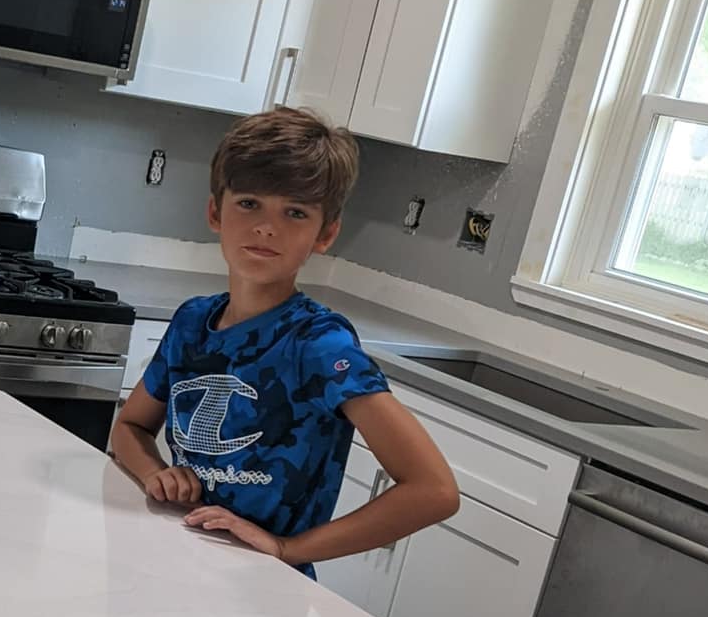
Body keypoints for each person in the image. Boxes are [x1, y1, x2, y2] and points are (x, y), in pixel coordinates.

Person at [110, 108, 458, 576]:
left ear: (326, 233)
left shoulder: (319, 344)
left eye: (295, 212)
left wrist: (287, 549)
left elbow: (434, 489)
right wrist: (157, 474)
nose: (267, 226)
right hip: (175, 557)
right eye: (249, 203)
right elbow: (129, 428)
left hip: (264, 587)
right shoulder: (192, 321)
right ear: (216, 211)